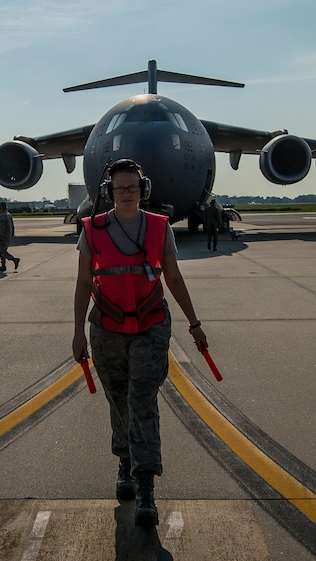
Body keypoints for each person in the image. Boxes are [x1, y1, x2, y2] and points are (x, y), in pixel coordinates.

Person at [72, 159, 208, 527]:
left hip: (150, 323)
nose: (127, 193)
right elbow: (84, 282)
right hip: (106, 325)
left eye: (133, 187)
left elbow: (175, 278)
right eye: (120, 188)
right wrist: (76, 332)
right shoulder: (92, 230)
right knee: (118, 398)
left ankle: (146, 484)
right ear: (108, 192)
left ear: (143, 190)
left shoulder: (160, 229)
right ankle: (125, 462)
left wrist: (194, 323)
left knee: (142, 400)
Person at [0, 201, 20, 271]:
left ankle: (14, 259)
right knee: (3, 251)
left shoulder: (2, 216)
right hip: (8, 235)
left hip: (3, 236)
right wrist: (12, 234)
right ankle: (3, 265)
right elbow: (12, 225)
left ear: (1, 207)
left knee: (2, 251)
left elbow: (1, 228)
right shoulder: (9, 215)